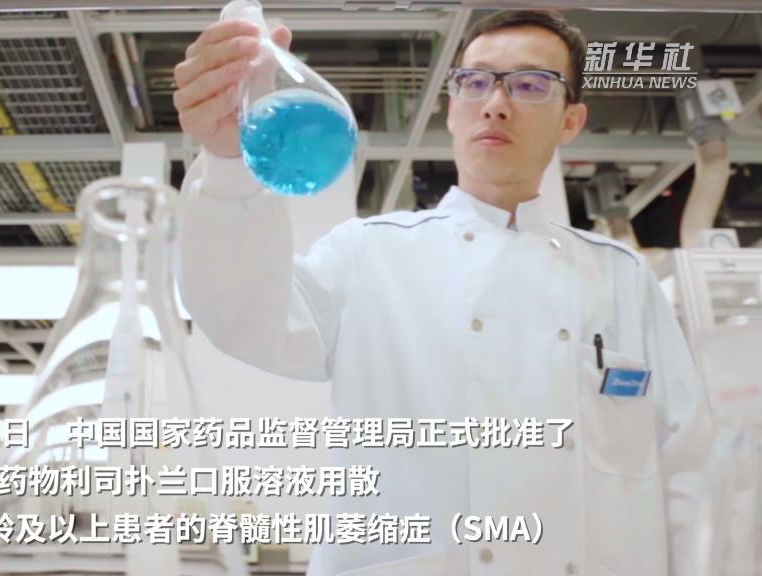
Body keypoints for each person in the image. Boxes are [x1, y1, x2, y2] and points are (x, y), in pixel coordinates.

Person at [173, 10, 713, 576]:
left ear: (570, 121)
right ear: (452, 108)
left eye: (530, 85)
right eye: (474, 82)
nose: (495, 104)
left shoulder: (622, 278)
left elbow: (690, 468)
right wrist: (228, 162)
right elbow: (241, 319)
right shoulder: (369, 254)